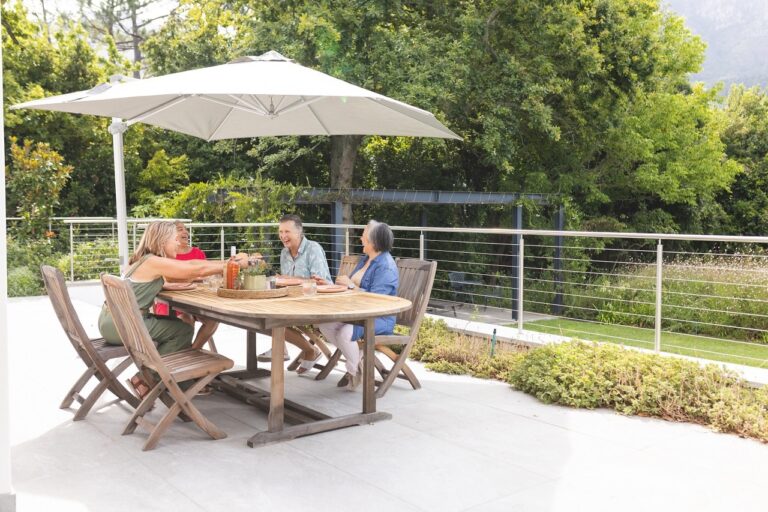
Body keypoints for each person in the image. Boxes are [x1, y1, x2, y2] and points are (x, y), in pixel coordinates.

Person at [98, 220, 248, 398]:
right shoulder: (152, 261)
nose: (179, 243)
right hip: (122, 325)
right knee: (182, 330)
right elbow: (194, 271)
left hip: (110, 321)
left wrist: (229, 261)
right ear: (162, 241)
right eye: (175, 239)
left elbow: (192, 264)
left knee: (178, 324)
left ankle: (169, 378)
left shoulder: (142, 259)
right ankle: (148, 380)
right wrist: (233, 265)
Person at [315, 220, 398, 390]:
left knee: (345, 333)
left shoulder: (386, 267)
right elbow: (351, 288)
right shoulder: (365, 260)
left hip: (379, 318)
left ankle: (353, 370)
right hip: (358, 315)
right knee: (324, 324)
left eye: (364, 235)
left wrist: (351, 286)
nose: (360, 238)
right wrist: (328, 284)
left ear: (373, 241)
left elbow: (377, 301)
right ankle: (358, 362)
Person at [256, 214, 333, 375]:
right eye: (280, 231)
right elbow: (287, 282)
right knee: (261, 316)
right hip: (294, 301)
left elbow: (319, 282)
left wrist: (288, 279)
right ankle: (286, 348)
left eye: (287, 232)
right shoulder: (285, 253)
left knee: (272, 319)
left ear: (299, 232)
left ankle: (308, 350)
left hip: (318, 302)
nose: (283, 236)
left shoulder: (313, 249)